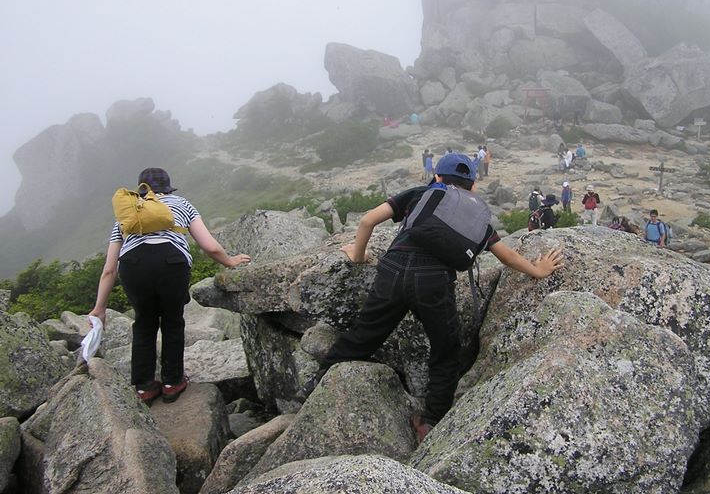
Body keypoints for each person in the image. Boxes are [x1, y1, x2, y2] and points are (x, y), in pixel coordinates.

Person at [298, 154, 564, 442]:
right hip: (434, 282)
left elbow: (367, 220)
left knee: (364, 333)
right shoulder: (476, 217)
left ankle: (317, 382)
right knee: (445, 349)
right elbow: (505, 255)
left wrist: (358, 256)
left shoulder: (420, 194)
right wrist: (538, 270)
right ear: (472, 186)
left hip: (393, 271)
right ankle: (430, 423)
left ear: (438, 177)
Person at [89, 168, 251, 404]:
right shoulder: (182, 204)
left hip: (133, 265)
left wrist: (99, 308)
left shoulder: (128, 212)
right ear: (168, 188)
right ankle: (172, 382)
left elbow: (109, 269)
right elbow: (210, 246)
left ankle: (144, 387)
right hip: (171, 262)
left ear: (141, 189)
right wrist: (230, 261)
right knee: (173, 321)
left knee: (144, 322)